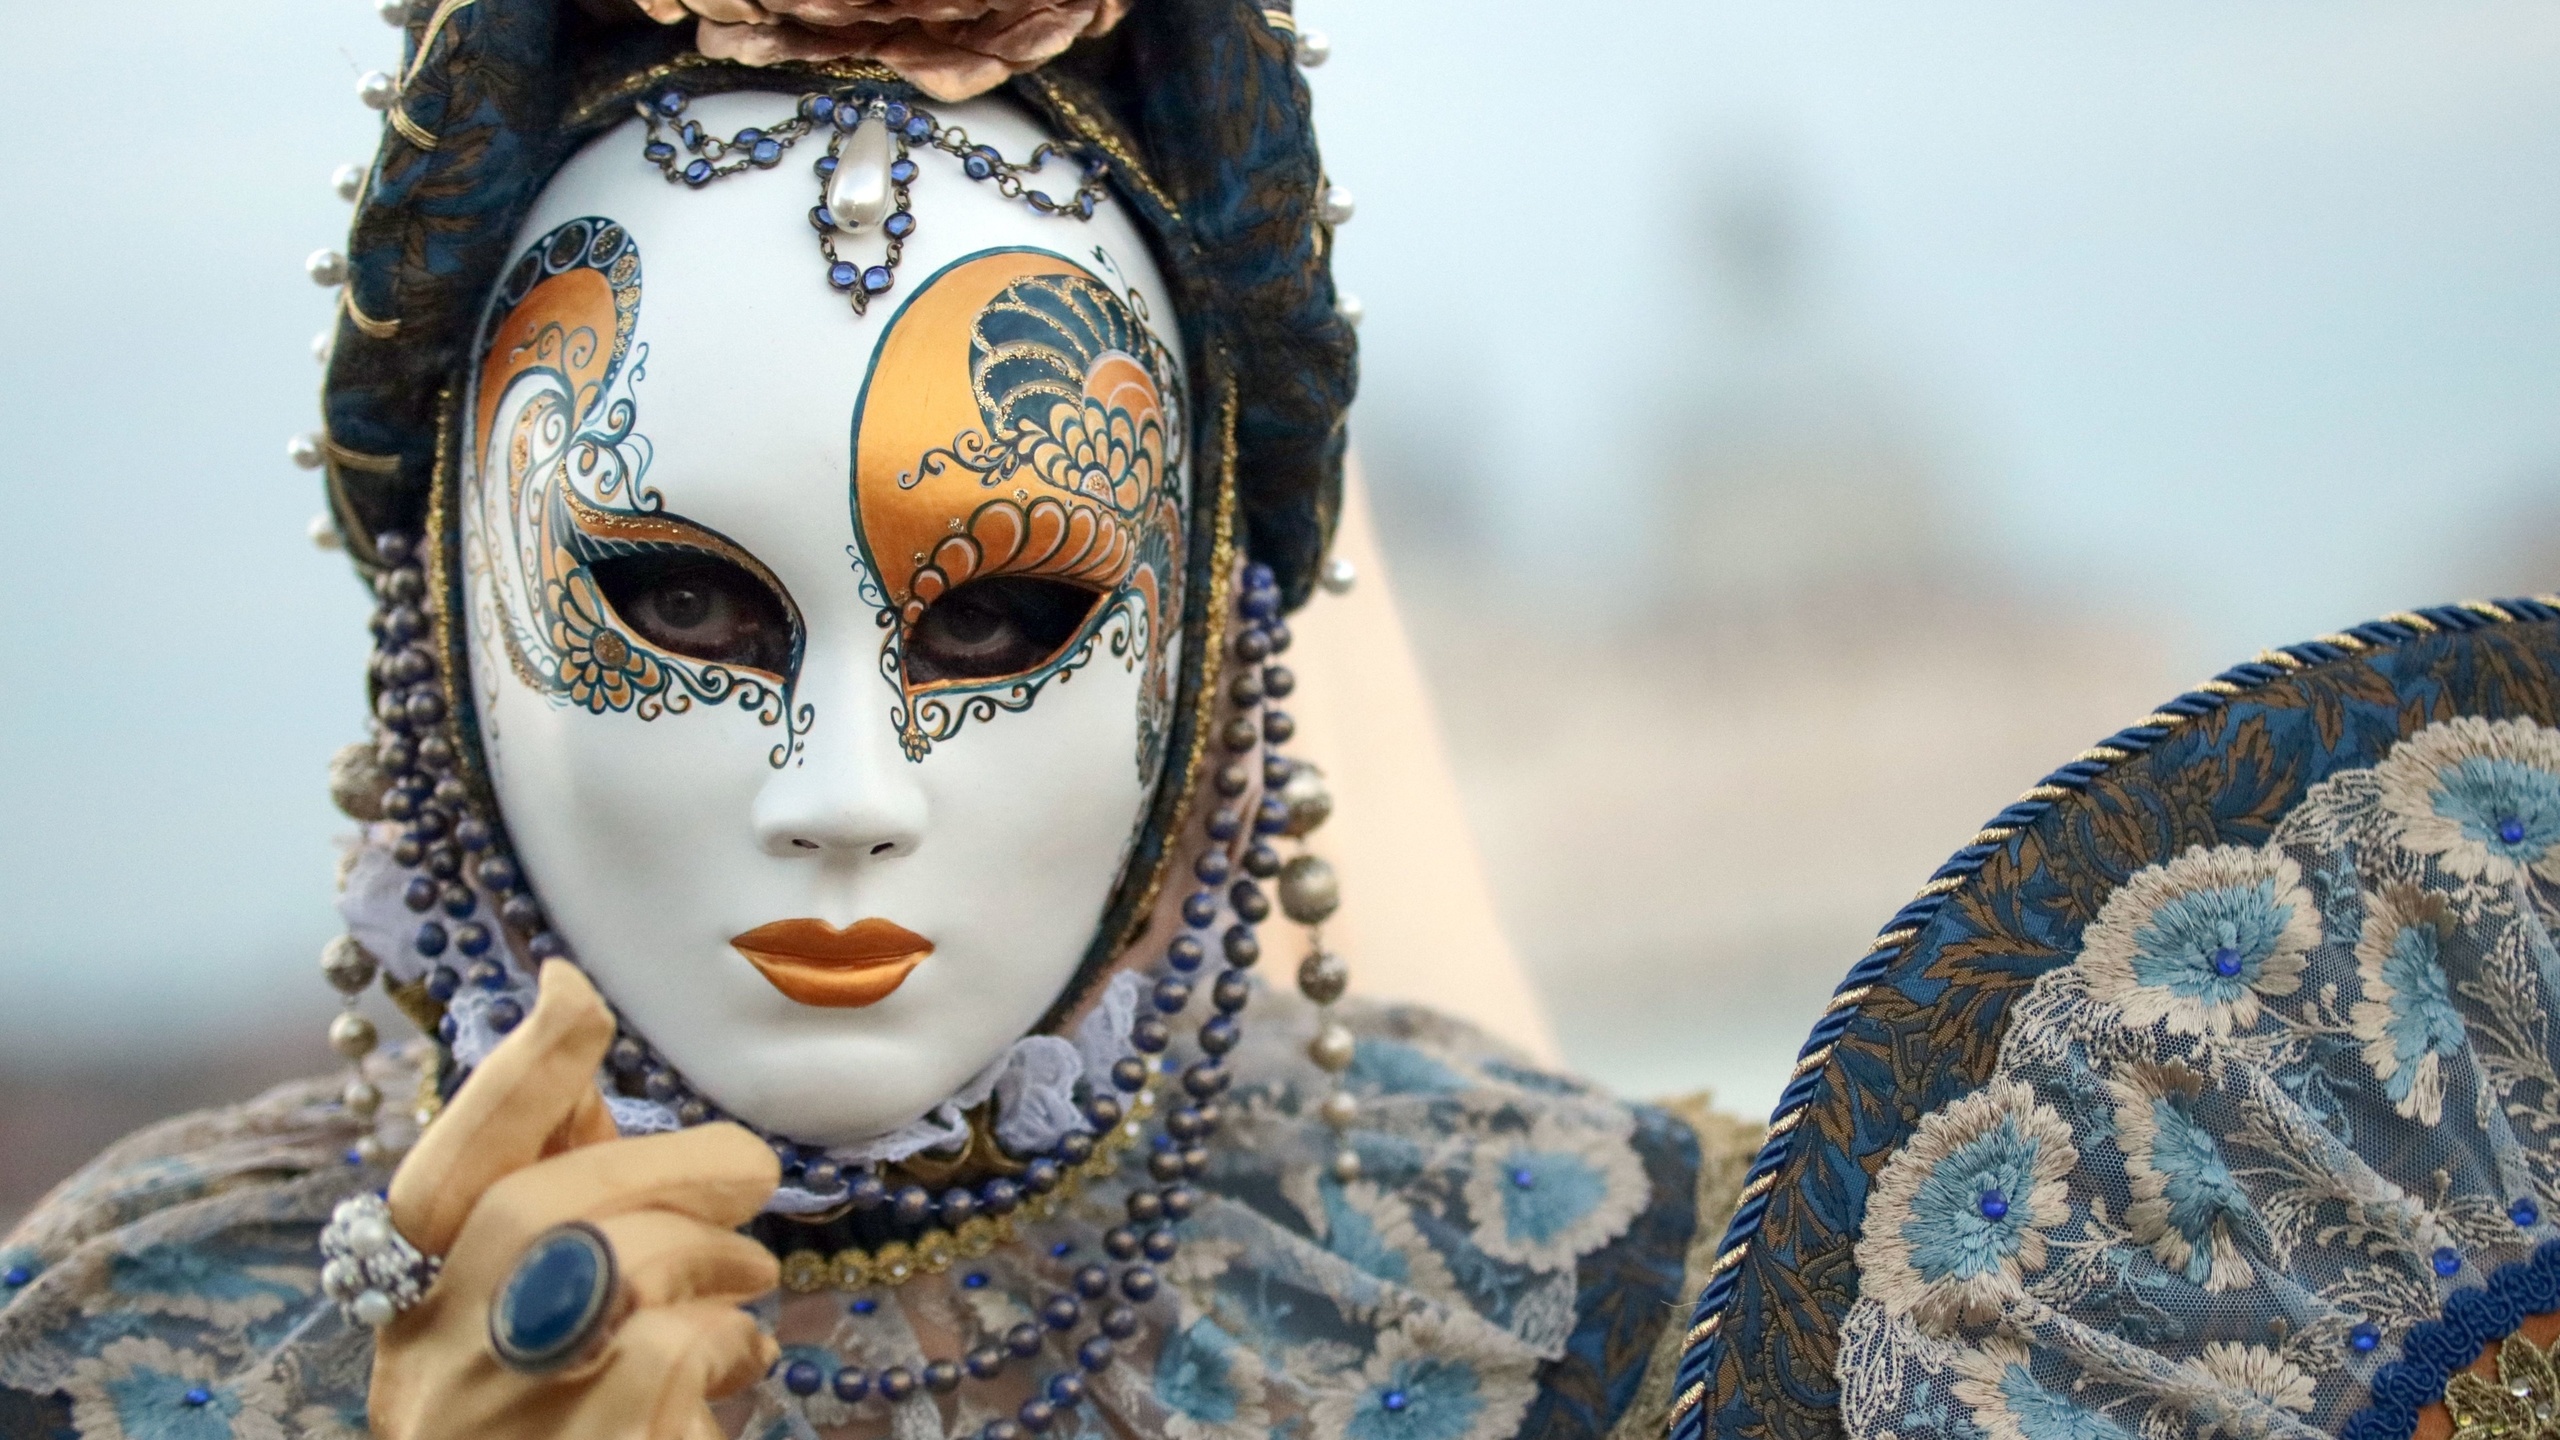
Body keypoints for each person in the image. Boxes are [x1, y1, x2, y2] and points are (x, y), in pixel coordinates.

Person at [0, 3, 1757, 1436]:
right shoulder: (115, 1356)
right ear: (448, 621)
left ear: (1207, 648)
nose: (845, 798)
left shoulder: (1638, 1305)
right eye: (677, 599)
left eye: (1001, 613)